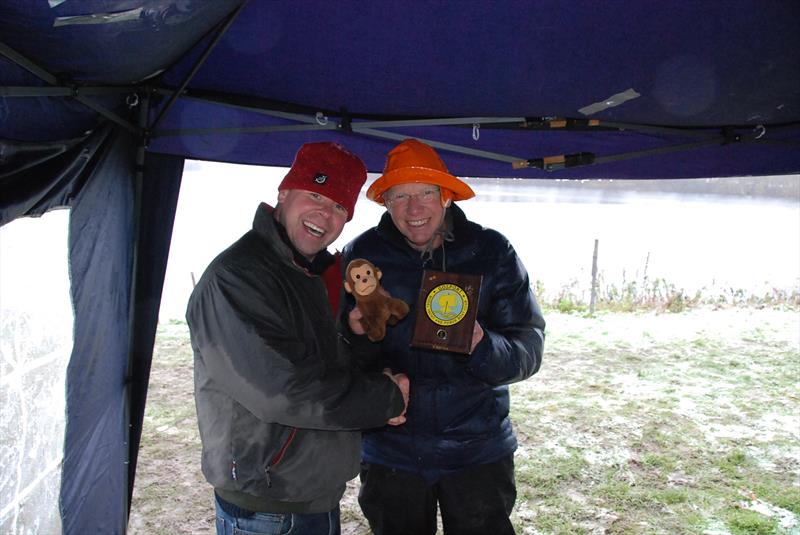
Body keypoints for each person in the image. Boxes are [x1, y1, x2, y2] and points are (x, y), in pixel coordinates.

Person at [186, 141, 409, 535]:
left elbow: (311, 360)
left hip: (308, 492)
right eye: (315, 195)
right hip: (268, 506)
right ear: (283, 193)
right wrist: (388, 397)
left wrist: (352, 336)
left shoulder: (302, 272)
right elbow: (283, 391)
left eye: (340, 207)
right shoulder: (238, 276)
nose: (325, 214)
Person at [339, 138, 546, 534]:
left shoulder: (492, 251)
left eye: (425, 194)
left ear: (446, 196)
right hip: (391, 451)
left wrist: (483, 347)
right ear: (386, 203)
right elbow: (336, 356)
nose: (413, 209)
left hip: (477, 450)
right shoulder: (361, 257)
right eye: (400, 196)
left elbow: (529, 347)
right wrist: (357, 340)